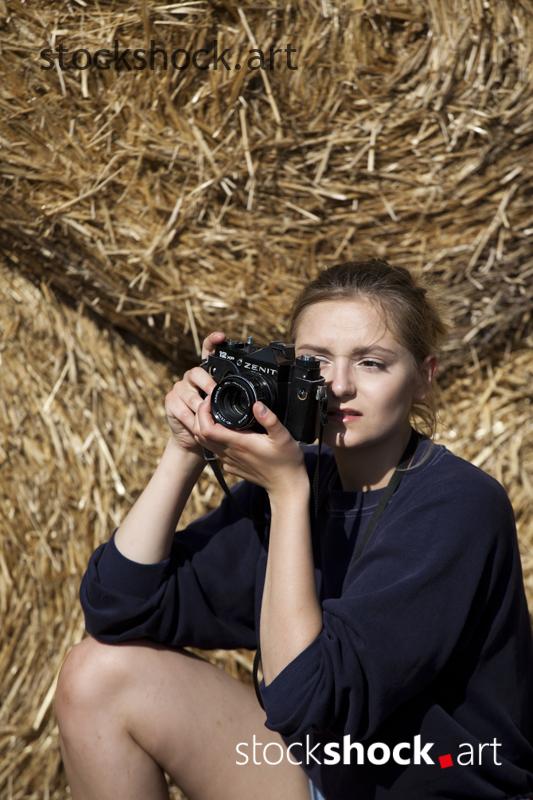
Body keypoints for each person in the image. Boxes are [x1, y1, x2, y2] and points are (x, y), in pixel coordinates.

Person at [54, 259, 533, 800]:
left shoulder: (456, 506)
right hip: (323, 776)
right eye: (317, 362)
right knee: (97, 675)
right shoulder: (301, 483)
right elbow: (119, 607)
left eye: (372, 363)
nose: (340, 386)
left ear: (424, 377)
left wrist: (286, 495)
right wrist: (185, 450)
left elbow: (307, 702)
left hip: (436, 789)